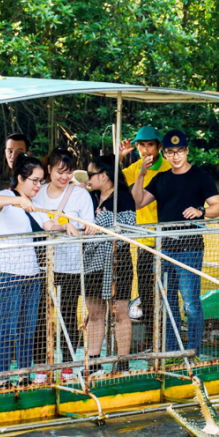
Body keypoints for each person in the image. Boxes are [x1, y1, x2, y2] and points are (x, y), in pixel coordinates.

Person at [131, 130, 219, 355]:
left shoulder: (200, 177)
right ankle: (173, 349)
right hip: (164, 249)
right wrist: (141, 174)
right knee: (168, 301)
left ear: (187, 151)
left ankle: (193, 349)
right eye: (171, 152)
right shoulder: (161, 178)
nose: (176, 156)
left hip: (189, 247)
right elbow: (138, 201)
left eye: (180, 151)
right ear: (164, 153)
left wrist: (201, 211)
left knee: (191, 303)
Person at [0, 154, 59, 385]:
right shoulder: (9, 196)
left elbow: (49, 225)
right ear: (20, 178)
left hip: (32, 274)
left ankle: (23, 376)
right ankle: (3, 378)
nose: (39, 185)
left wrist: (68, 226)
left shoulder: (35, 204)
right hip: (8, 273)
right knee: (8, 329)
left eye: (41, 181)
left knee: (27, 330)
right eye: (35, 180)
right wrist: (16, 201)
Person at [32, 148, 97, 360]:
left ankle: (68, 363)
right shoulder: (37, 192)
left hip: (71, 264)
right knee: (41, 315)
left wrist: (75, 226)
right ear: (49, 169)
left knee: (68, 314)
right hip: (41, 265)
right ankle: (42, 364)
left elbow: (90, 226)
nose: (64, 177)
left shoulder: (80, 194)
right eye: (60, 171)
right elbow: (34, 223)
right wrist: (62, 225)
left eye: (68, 172)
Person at [83, 155, 136, 375]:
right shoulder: (89, 196)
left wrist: (102, 221)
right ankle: (94, 362)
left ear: (104, 176)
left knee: (120, 311)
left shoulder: (123, 196)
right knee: (95, 312)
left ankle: (122, 363)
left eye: (90, 174)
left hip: (118, 260)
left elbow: (129, 225)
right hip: (93, 261)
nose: (87, 178)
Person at [119, 126, 171, 350]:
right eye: (142, 145)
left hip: (165, 239)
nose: (146, 150)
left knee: (166, 290)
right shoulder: (137, 166)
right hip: (143, 241)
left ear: (159, 147)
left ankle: (164, 338)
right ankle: (151, 338)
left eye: (150, 145)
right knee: (147, 292)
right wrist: (119, 157)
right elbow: (112, 180)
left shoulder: (169, 168)